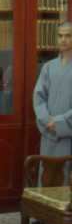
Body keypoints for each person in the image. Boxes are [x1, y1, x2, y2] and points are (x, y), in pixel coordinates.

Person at [33, 21, 72, 184]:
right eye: (60, 36)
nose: (63, 40)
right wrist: (46, 120)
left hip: (68, 135)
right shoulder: (48, 67)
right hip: (48, 134)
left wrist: (59, 122)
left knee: (65, 182)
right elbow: (38, 97)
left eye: (68, 36)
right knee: (46, 179)